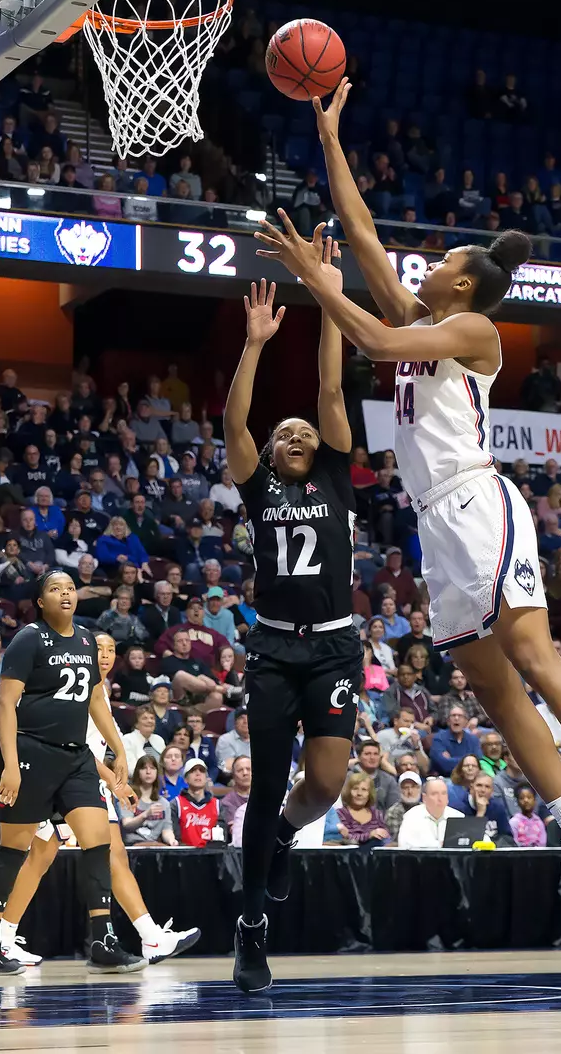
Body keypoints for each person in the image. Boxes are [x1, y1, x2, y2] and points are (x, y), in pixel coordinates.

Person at [257, 80, 561, 930]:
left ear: (462, 284)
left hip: (478, 503)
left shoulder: (475, 333)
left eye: (445, 259)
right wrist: (330, 137)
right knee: (490, 683)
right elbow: (365, 235)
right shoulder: (422, 314)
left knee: (532, 651)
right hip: (435, 525)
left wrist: (312, 279)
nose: (433, 260)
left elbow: (373, 338)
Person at [223, 265, 363, 995]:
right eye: (287, 433)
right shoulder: (258, 487)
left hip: (335, 641)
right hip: (275, 647)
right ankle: (250, 929)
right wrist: (255, 345)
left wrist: (330, 303)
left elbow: (332, 391)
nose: (298, 433)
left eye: (305, 429)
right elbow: (234, 424)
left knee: (328, 781)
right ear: (274, 454)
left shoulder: (337, 479)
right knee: (269, 779)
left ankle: (281, 835)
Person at [0, 571, 146, 975]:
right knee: (14, 850)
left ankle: (103, 940)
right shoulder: (28, 639)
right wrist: (9, 766)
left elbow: (96, 698)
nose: (65, 594)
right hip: (32, 753)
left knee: (99, 843)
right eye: (55, 589)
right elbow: (6, 705)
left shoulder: (86, 639)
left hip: (76, 758)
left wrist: (117, 748)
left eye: (69, 588)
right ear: (40, 601)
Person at [0, 632, 200, 968]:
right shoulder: (71, 686)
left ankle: (148, 936)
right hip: (61, 777)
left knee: (82, 855)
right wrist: (114, 780)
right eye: (98, 649)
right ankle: (1, 938)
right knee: (49, 857)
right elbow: (74, 746)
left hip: (83, 780)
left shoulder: (98, 688)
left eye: (110, 650)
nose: (104, 655)